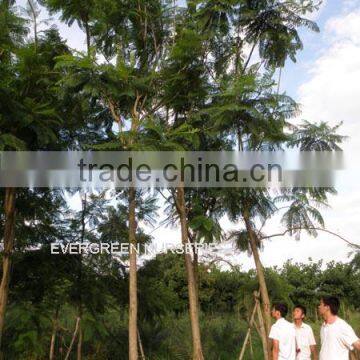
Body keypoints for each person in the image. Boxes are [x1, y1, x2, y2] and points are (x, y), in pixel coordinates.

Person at [318, 296, 360, 360]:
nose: (319, 306)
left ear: (327, 307)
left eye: (320, 304)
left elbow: (358, 345)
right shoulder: (323, 326)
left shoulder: (342, 326)